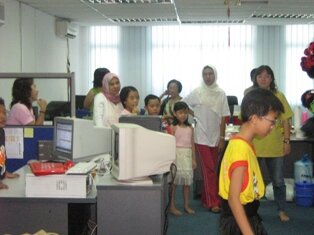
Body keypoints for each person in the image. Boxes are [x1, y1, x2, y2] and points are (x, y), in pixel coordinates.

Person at [219, 88, 284, 235]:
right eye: (271, 122)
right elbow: (233, 199)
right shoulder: (240, 149)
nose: (273, 127)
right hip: (238, 221)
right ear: (255, 118)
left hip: (248, 215)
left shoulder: (244, 143)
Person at [183, 65, 230, 213]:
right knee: (209, 170)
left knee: (213, 169)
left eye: (210, 74)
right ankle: (213, 202)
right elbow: (183, 104)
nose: (208, 77)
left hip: (215, 136)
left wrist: (222, 138)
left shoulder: (221, 93)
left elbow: (223, 117)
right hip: (201, 137)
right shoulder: (198, 92)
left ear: (215, 75)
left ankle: (205, 199)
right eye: (205, 74)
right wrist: (195, 113)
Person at [251, 65, 293, 222]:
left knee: (278, 181)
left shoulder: (279, 96)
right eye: (260, 76)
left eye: (267, 76)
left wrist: (287, 141)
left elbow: (286, 120)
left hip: (275, 146)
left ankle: (281, 210)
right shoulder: (251, 96)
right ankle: (252, 211)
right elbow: (246, 120)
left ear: (272, 79)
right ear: (255, 78)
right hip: (254, 146)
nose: (263, 79)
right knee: (253, 181)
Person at [169, 101, 196, 216]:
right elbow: (169, 143)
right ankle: (172, 205)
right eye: (180, 113)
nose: (183, 115)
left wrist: (194, 159)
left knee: (187, 183)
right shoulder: (173, 127)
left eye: (185, 113)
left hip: (187, 156)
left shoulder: (190, 127)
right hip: (176, 156)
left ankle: (186, 205)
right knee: (174, 183)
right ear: (175, 113)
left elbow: (192, 143)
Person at [0, 97, 20, 189]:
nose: (2, 116)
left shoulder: (1, 132)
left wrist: (4, 173)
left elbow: (1, 156)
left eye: (4, 112)